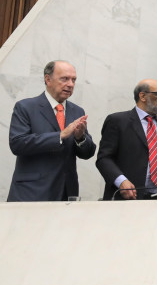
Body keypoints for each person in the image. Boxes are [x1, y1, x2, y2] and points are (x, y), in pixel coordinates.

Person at [7, 60, 96, 201]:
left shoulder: (77, 111)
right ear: (48, 79)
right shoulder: (26, 107)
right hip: (32, 192)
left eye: (73, 80)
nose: (71, 84)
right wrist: (60, 135)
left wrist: (80, 138)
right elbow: (17, 144)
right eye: (65, 79)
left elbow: (88, 153)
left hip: (67, 193)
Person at [96, 79, 157, 200]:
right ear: (142, 96)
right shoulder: (117, 121)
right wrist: (121, 181)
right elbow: (104, 159)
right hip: (129, 197)